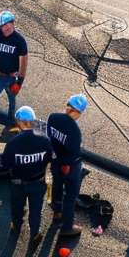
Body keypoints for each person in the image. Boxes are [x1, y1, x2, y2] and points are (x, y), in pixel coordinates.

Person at [4, 105, 52, 245]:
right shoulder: (45, 140)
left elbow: (5, 165)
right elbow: (50, 159)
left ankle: (17, 226)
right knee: (36, 210)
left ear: (20, 122)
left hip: (18, 184)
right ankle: (35, 234)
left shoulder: (13, 143)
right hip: (39, 181)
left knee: (17, 207)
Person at [46, 94, 87, 239]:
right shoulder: (75, 132)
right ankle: (67, 227)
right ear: (79, 112)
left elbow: (49, 137)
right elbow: (73, 154)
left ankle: (57, 212)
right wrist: (67, 166)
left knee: (57, 185)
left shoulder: (53, 117)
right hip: (69, 167)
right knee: (70, 196)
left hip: (55, 160)